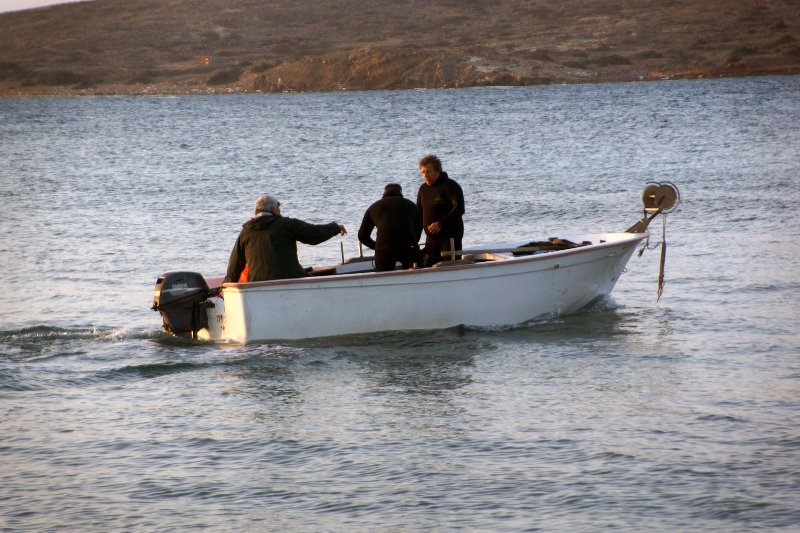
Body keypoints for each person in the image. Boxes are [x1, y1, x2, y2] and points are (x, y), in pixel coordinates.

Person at [224, 195, 346, 283]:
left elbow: (235, 264)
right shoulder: (286, 224)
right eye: (278, 206)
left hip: (256, 284)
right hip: (290, 280)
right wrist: (335, 228)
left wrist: (226, 287)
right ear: (272, 209)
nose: (280, 210)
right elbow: (314, 235)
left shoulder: (246, 232)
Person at [358, 183, 422, 272]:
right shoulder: (411, 205)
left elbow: (362, 236)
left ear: (384, 192)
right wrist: (413, 242)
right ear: (401, 192)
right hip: (408, 247)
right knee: (416, 277)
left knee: (383, 279)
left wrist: (376, 246)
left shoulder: (373, 207)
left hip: (384, 249)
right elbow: (419, 229)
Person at [416, 154, 465, 267]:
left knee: (448, 268)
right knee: (426, 266)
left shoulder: (450, 185)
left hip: (450, 238)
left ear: (437, 171)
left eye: (428, 171)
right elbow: (418, 214)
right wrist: (414, 240)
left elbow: (459, 209)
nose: (425, 175)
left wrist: (440, 223)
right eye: (423, 172)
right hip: (431, 239)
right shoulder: (423, 189)